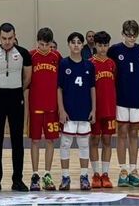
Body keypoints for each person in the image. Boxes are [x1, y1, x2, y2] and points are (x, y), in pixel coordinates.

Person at [0, 22, 32, 191]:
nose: (7, 41)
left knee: (17, 140)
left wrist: (18, 90)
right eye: (4, 38)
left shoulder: (23, 53)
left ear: (15, 36)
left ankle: (17, 180)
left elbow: (28, 77)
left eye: (10, 38)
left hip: (16, 97)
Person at [108, 20, 139, 188]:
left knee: (134, 133)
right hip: (121, 98)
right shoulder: (115, 50)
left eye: (134, 35)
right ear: (123, 34)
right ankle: (122, 170)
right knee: (122, 132)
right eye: (129, 35)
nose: (131, 38)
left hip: (136, 98)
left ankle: (133, 170)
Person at [57, 32, 95, 191]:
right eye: (73, 42)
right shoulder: (63, 64)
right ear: (68, 44)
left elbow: (92, 88)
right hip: (68, 112)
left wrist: (94, 109)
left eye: (79, 42)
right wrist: (61, 110)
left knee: (84, 144)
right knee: (65, 144)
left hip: (84, 111)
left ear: (82, 45)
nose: (76, 45)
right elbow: (59, 88)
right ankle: (65, 177)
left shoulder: (89, 65)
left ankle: (84, 176)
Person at [27, 28, 61, 192]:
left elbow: (60, 85)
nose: (44, 48)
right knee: (35, 140)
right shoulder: (31, 56)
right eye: (41, 44)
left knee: (50, 140)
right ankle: (35, 175)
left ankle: (47, 174)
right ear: (37, 42)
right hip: (35, 106)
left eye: (47, 45)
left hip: (52, 107)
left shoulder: (57, 57)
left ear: (51, 43)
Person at [88, 31, 117, 188]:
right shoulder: (90, 63)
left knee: (107, 140)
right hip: (95, 109)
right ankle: (95, 174)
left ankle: (105, 174)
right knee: (94, 140)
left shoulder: (112, 63)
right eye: (100, 45)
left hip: (109, 108)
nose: (103, 48)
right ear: (95, 45)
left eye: (105, 45)